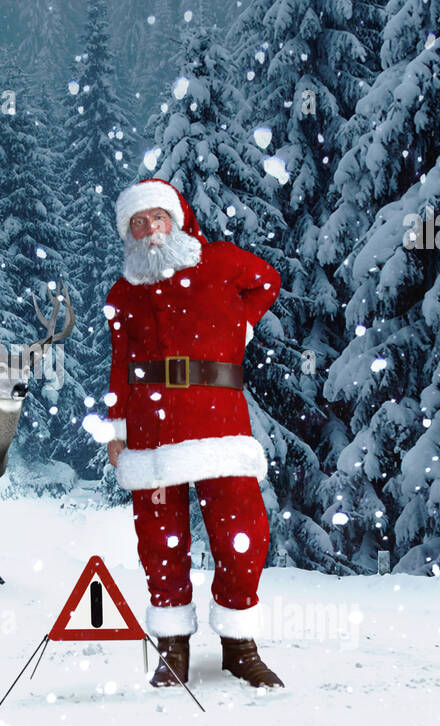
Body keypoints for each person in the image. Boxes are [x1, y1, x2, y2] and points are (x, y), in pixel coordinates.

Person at [102, 178, 284, 688]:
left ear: (176, 220)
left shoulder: (222, 262)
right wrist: (116, 428)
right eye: (137, 224)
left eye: (156, 218)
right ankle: (173, 647)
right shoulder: (123, 292)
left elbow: (267, 280)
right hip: (151, 431)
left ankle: (238, 645)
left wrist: (240, 325)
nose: (148, 231)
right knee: (160, 543)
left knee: (243, 538)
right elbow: (121, 364)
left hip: (218, 424)